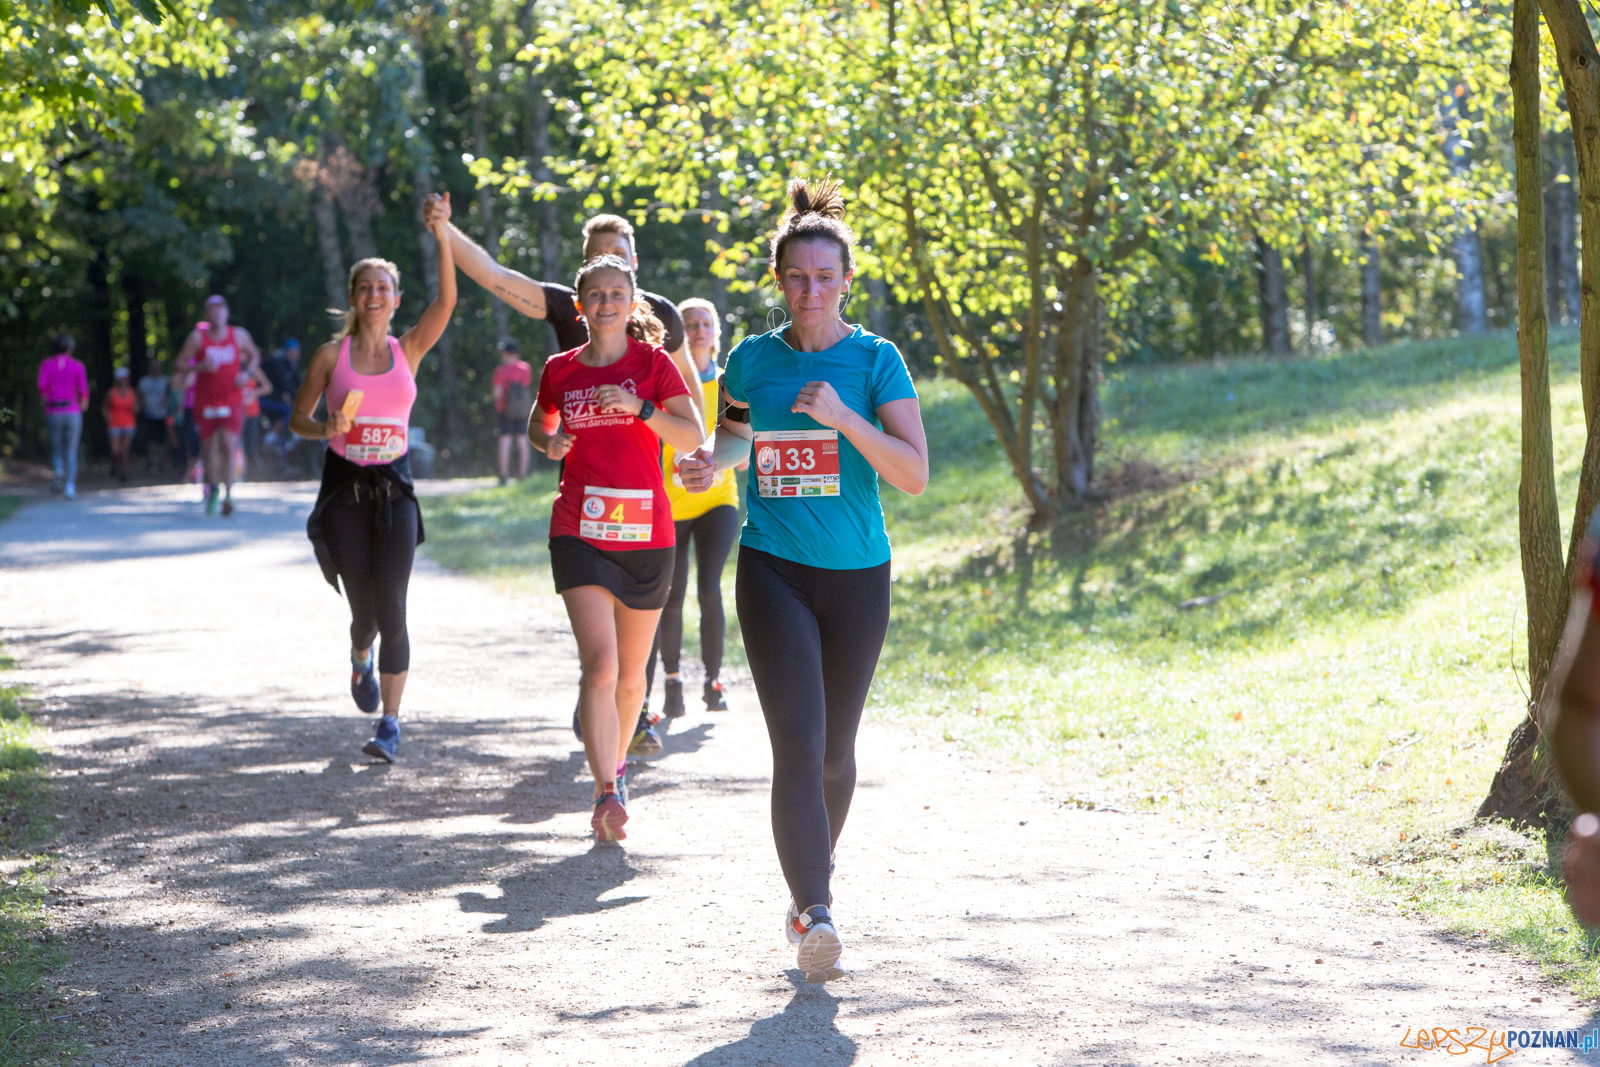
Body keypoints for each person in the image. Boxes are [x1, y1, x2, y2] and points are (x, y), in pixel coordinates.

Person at [677, 179, 928, 980]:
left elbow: (914, 473)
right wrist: (707, 460)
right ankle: (816, 912)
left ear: (845, 280)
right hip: (773, 568)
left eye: (824, 277)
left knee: (834, 754)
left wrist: (846, 418)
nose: (810, 290)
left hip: (857, 575)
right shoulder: (751, 360)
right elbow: (737, 439)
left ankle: (808, 881)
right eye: (797, 277)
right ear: (780, 281)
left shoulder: (876, 360)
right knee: (798, 742)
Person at [422, 198, 700, 751]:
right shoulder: (561, 311)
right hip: (584, 492)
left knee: (635, 626)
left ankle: (632, 709)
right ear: (581, 281)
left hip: (643, 488)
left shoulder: (662, 319)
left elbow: (690, 389)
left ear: (633, 264)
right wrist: (445, 230)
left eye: (617, 259)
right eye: (596, 262)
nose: (606, 284)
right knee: (599, 640)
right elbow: (495, 276)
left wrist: (702, 453)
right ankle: (601, 701)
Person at [528, 253, 703, 842]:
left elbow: (692, 434)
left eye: (616, 294)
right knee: (600, 666)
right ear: (580, 307)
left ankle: (617, 769)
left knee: (632, 679)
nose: (606, 303)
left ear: (632, 304)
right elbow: (538, 422)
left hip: (646, 534)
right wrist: (549, 444)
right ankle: (605, 791)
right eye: (595, 295)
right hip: (579, 528)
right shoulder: (560, 369)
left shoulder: (653, 363)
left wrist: (641, 408)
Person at [290, 199, 457, 763]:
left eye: (383, 287)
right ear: (354, 298)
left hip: (396, 493)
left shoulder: (408, 349)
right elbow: (297, 420)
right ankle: (360, 653)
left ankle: (390, 723)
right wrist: (325, 427)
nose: (374, 295)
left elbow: (447, 302)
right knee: (364, 613)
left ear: (396, 299)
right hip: (345, 493)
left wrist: (442, 234)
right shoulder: (329, 356)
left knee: (393, 607)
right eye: (365, 287)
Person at [645, 297, 742, 720]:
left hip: (718, 500)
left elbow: (743, 441)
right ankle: (672, 681)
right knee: (672, 594)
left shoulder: (728, 384)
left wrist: (728, 458)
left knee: (709, 587)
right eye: (690, 324)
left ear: (716, 333)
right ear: (677, 335)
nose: (699, 330)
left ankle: (713, 681)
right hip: (671, 503)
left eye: (706, 323)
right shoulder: (665, 383)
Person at [174, 295, 262, 516]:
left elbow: (254, 354)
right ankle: (213, 488)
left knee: (229, 446)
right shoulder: (198, 338)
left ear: (227, 312)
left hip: (232, 400)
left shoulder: (238, 335)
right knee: (208, 449)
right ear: (206, 314)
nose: (217, 313)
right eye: (212, 310)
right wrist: (198, 366)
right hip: (206, 402)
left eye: (221, 309)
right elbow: (180, 363)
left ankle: (229, 493)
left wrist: (247, 373)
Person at [37, 333, 89, 499]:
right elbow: (83, 389)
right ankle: (70, 486)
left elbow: (42, 386)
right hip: (72, 410)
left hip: (53, 410)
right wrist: (83, 404)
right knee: (71, 449)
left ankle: (58, 470)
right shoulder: (77, 365)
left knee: (56, 447)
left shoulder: (47, 364)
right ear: (70, 347)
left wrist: (46, 397)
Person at [492, 339, 534, 485]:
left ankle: (504, 475)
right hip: (522, 410)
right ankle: (522, 474)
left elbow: (497, 393)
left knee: (505, 441)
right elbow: (526, 385)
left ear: (506, 354)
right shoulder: (525, 368)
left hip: (505, 410)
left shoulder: (501, 370)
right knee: (522, 440)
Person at [136, 360, 176, 474]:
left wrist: (167, 403)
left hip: (164, 414)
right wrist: (141, 406)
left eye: (157, 367)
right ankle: (153, 461)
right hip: (148, 414)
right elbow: (138, 395)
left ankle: (161, 463)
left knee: (163, 439)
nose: (155, 369)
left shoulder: (166, 380)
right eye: (153, 367)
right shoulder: (144, 381)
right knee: (151, 440)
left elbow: (171, 394)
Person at [102, 366, 140, 483]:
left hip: (129, 424)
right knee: (115, 450)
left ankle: (123, 472)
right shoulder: (111, 392)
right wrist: (107, 417)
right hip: (114, 424)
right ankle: (114, 464)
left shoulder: (132, 392)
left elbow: (137, 408)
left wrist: (135, 407)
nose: (124, 380)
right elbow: (104, 407)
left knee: (125, 451)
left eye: (125, 378)